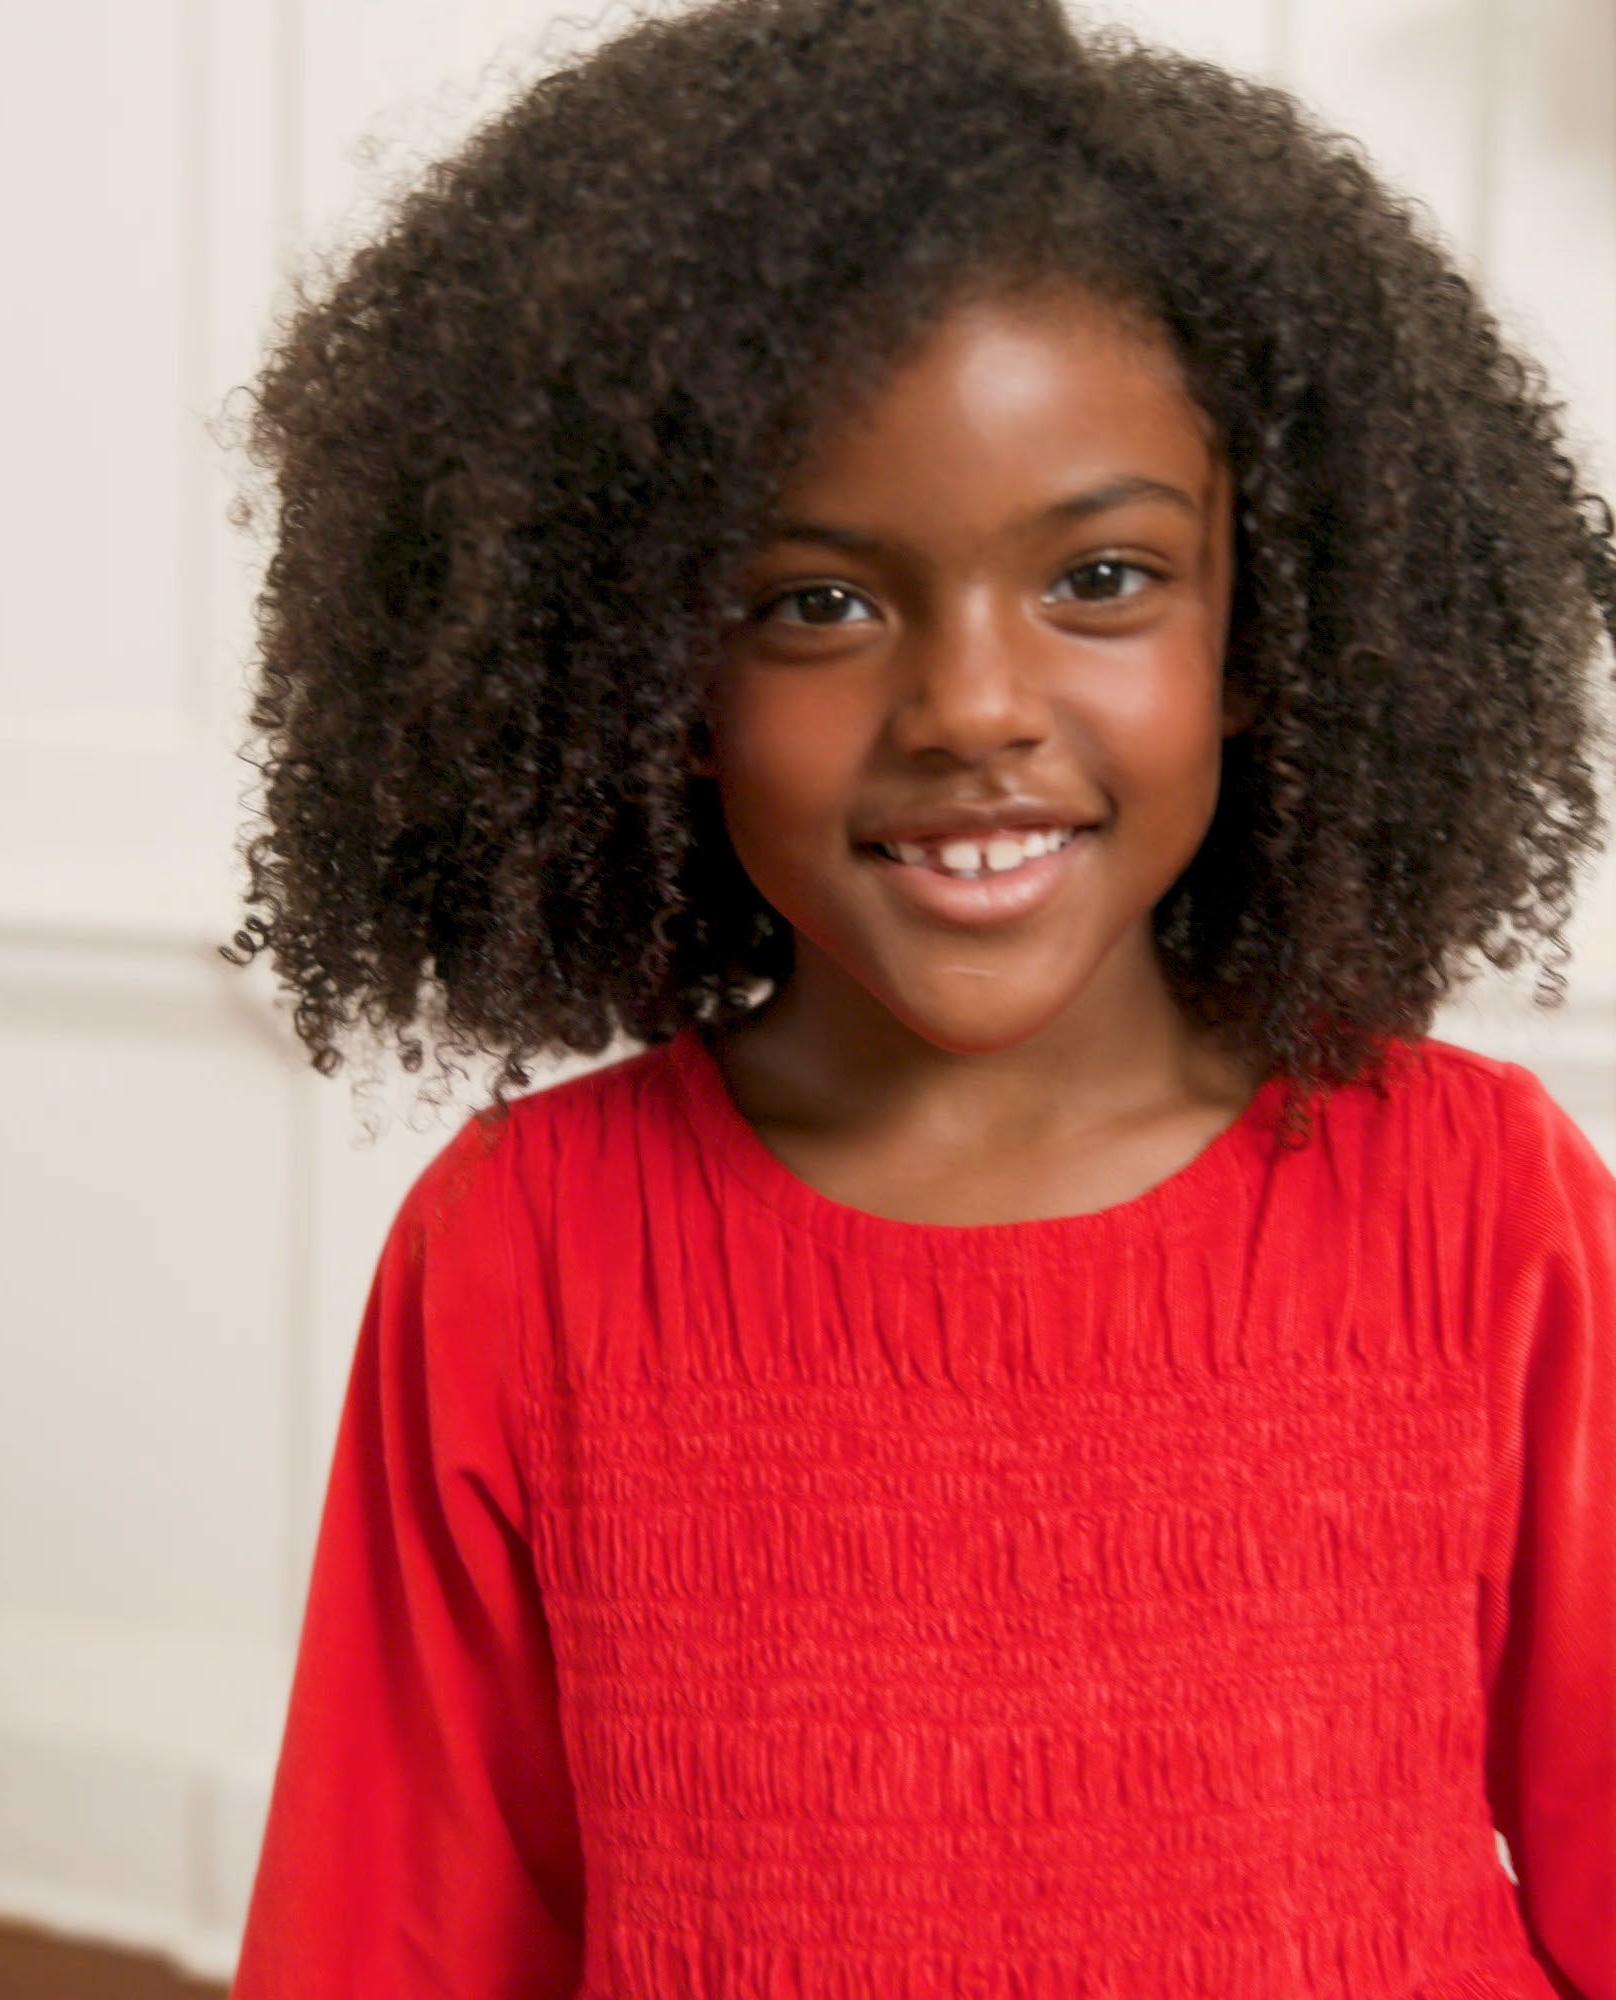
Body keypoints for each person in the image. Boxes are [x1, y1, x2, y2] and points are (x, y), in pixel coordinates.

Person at [224, 1, 1616, 1994]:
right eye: (819, 602)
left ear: (1268, 626)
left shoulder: (1482, 1208)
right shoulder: (523, 1255)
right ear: (650, 680)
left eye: (1105, 578)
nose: (971, 704)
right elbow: (397, 1938)